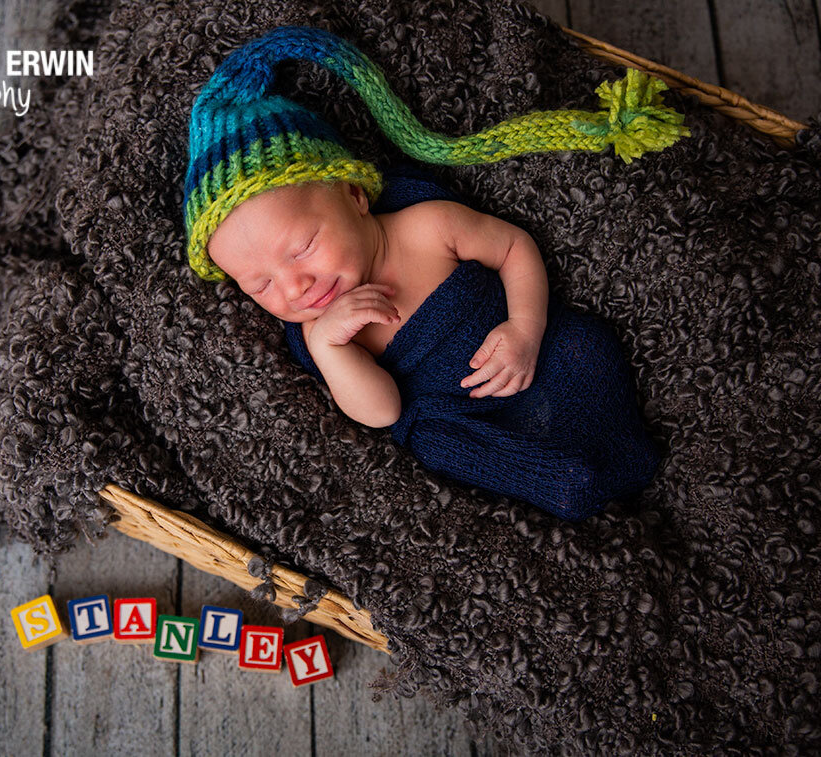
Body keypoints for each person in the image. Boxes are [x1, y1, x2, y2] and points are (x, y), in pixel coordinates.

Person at [182, 26, 687, 520]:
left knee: (585, 347)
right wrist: (332, 352)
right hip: (460, 419)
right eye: (260, 285)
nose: (294, 286)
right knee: (445, 450)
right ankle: (577, 492)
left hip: (531, 352)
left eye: (303, 248)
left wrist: (525, 329)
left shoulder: (424, 227)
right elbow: (384, 413)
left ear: (355, 196)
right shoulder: (321, 329)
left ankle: (628, 460)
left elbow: (513, 247)